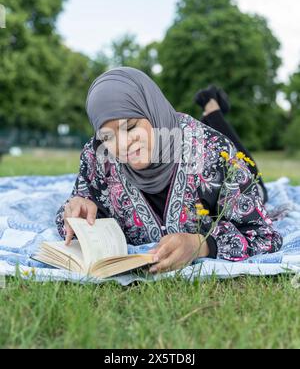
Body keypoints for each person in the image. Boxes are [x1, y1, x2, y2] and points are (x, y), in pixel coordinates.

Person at [55, 67, 283, 274]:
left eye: (131, 126)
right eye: (108, 136)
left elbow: (264, 235)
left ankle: (212, 109)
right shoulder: (97, 156)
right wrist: (77, 211)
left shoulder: (214, 151)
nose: (122, 144)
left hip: (222, 157)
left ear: (151, 113)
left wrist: (202, 245)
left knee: (250, 172)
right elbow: (74, 214)